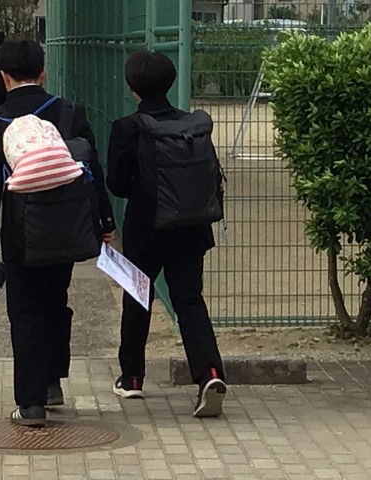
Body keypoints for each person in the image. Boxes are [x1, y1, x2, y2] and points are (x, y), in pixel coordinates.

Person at [0, 40, 116, 426]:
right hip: (68, 227)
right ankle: (53, 382)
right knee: (56, 301)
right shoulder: (69, 112)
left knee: (25, 311)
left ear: (3, 77)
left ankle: (31, 403)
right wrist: (104, 222)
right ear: (43, 72)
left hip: (20, 233)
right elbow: (93, 170)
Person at [106, 51, 227, 418]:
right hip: (192, 226)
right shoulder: (191, 126)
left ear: (131, 87)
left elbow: (117, 184)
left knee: (137, 298)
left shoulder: (127, 127)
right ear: (170, 83)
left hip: (146, 229)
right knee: (188, 300)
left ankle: (132, 378)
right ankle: (209, 374)